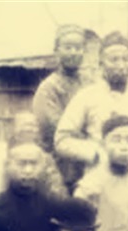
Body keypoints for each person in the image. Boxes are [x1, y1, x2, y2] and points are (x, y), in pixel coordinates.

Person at [55, 31, 128, 189]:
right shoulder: (86, 96)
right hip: (99, 177)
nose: (120, 66)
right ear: (101, 64)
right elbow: (61, 139)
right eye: (113, 60)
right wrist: (94, 152)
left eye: (125, 59)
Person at [33, 25, 87, 153]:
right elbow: (53, 127)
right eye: (68, 48)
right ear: (56, 51)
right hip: (59, 152)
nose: (73, 52)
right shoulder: (48, 88)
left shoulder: (90, 84)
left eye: (78, 48)